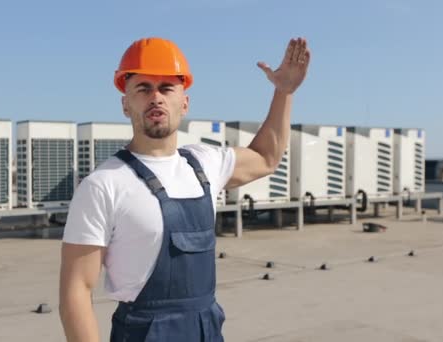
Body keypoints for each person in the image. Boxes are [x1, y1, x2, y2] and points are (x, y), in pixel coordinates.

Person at [59, 36, 311, 342]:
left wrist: (283, 93)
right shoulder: (103, 184)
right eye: (143, 88)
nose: (156, 97)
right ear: (126, 104)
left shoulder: (205, 164)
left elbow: (266, 158)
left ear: (185, 102)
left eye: (166, 88)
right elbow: (76, 291)